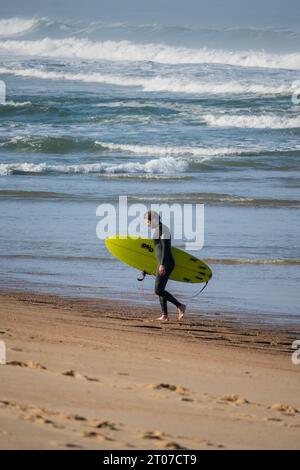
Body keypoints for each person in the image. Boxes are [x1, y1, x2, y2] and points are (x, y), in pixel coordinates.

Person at [144, 211, 186, 322]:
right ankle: (165, 315)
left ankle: (180, 306)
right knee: (161, 289)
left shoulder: (164, 229)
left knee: (158, 290)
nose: (147, 224)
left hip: (166, 263)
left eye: (147, 222)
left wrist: (162, 264)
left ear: (152, 220)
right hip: (161, 263)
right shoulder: (159, 229)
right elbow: (157, 250)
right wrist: (147, 268)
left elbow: (166, 248)